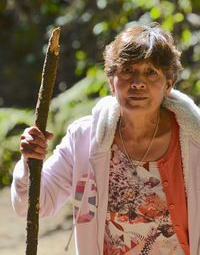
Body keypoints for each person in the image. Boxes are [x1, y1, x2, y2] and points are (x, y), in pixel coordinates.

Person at [11, 23, 200, 255]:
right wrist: (31, 162)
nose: (137, 82)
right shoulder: (84, 139)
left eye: (151, 72)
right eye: (127, 70)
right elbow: (34, 204)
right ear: (111, 82)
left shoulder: (193, 141)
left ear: (168, 84)